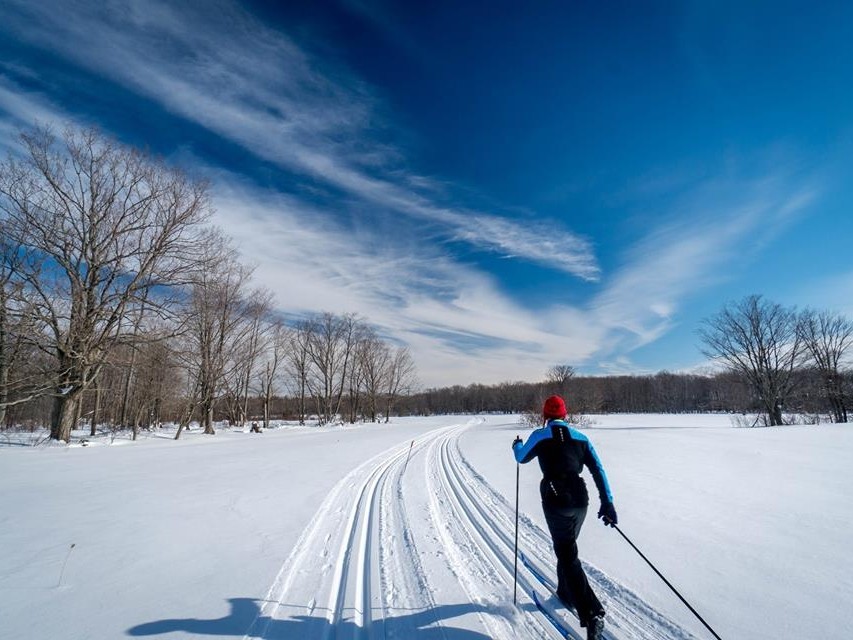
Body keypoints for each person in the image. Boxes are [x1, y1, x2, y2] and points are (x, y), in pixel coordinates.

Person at [512, 394, 617, 640]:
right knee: (567, 548)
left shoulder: (540, 435)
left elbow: (521, 457)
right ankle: (565, 591)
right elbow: (598, 469)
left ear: (545, 415)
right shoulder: (581, 438)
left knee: (567, 552)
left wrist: (516, 444)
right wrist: (608, 503)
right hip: (581, 500)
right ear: (565, 414)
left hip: (555, 499)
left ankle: (592, 613)